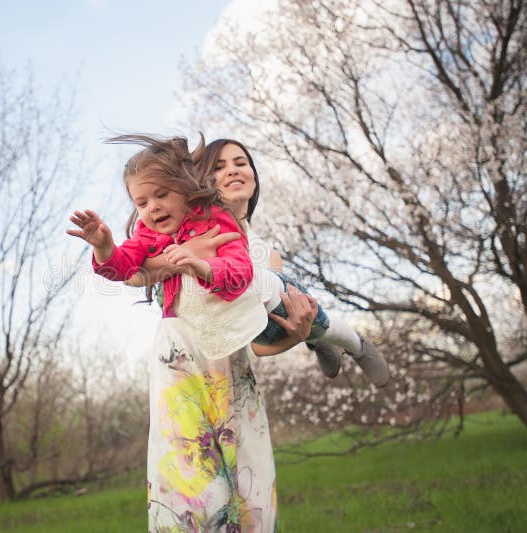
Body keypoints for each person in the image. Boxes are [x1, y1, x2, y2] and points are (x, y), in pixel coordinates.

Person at [68, 134, 279, 531]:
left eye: (161, 195)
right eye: (141, 203)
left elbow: (239, 273)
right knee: (188, 462)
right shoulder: (149, 237)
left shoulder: (217, 222)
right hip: (177, 353)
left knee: (242, 462)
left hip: (225, 354)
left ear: (185, 187)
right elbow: (125, 269)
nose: (152, 208)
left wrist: (200, 266)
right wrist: (103, 246)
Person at [134, 138, 390, 387]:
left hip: (230, 373)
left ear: (254, 176)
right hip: (182, 370)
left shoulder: (267, 255)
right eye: (219, 167)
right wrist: (187, 254)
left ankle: (326, 337)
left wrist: (297, 335)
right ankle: (322, 338)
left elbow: (259, 344)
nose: (233, 170)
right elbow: (132, 275)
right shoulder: (176, 230)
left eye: (241, 163)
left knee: (277, 294)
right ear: (199, 181)